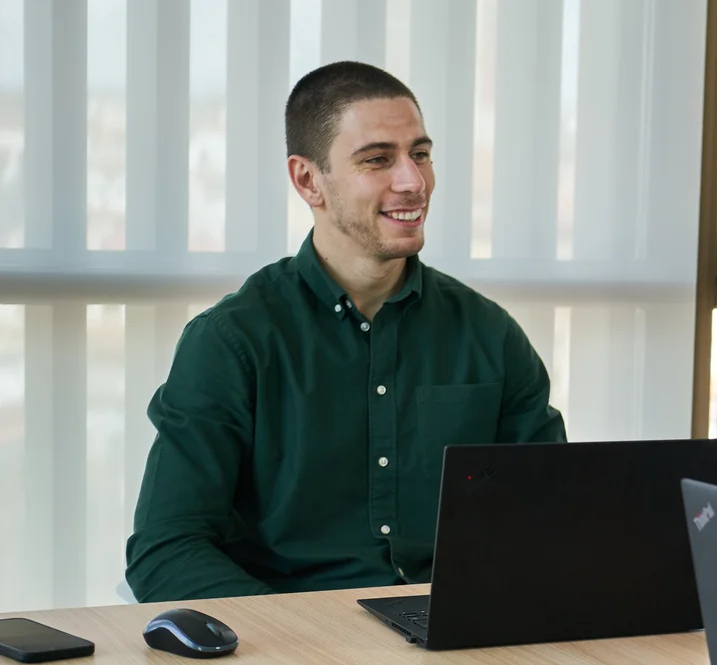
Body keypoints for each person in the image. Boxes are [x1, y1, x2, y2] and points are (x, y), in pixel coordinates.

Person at [125, 61, 564, 600]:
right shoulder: (230, 343)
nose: (413, 181)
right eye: (378, 159)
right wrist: (301, 647)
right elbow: (166, 549)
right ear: (309, 180)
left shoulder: (490, 335)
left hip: (456, 638)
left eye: (420, 155)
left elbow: (547, 521)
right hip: (292, 647)